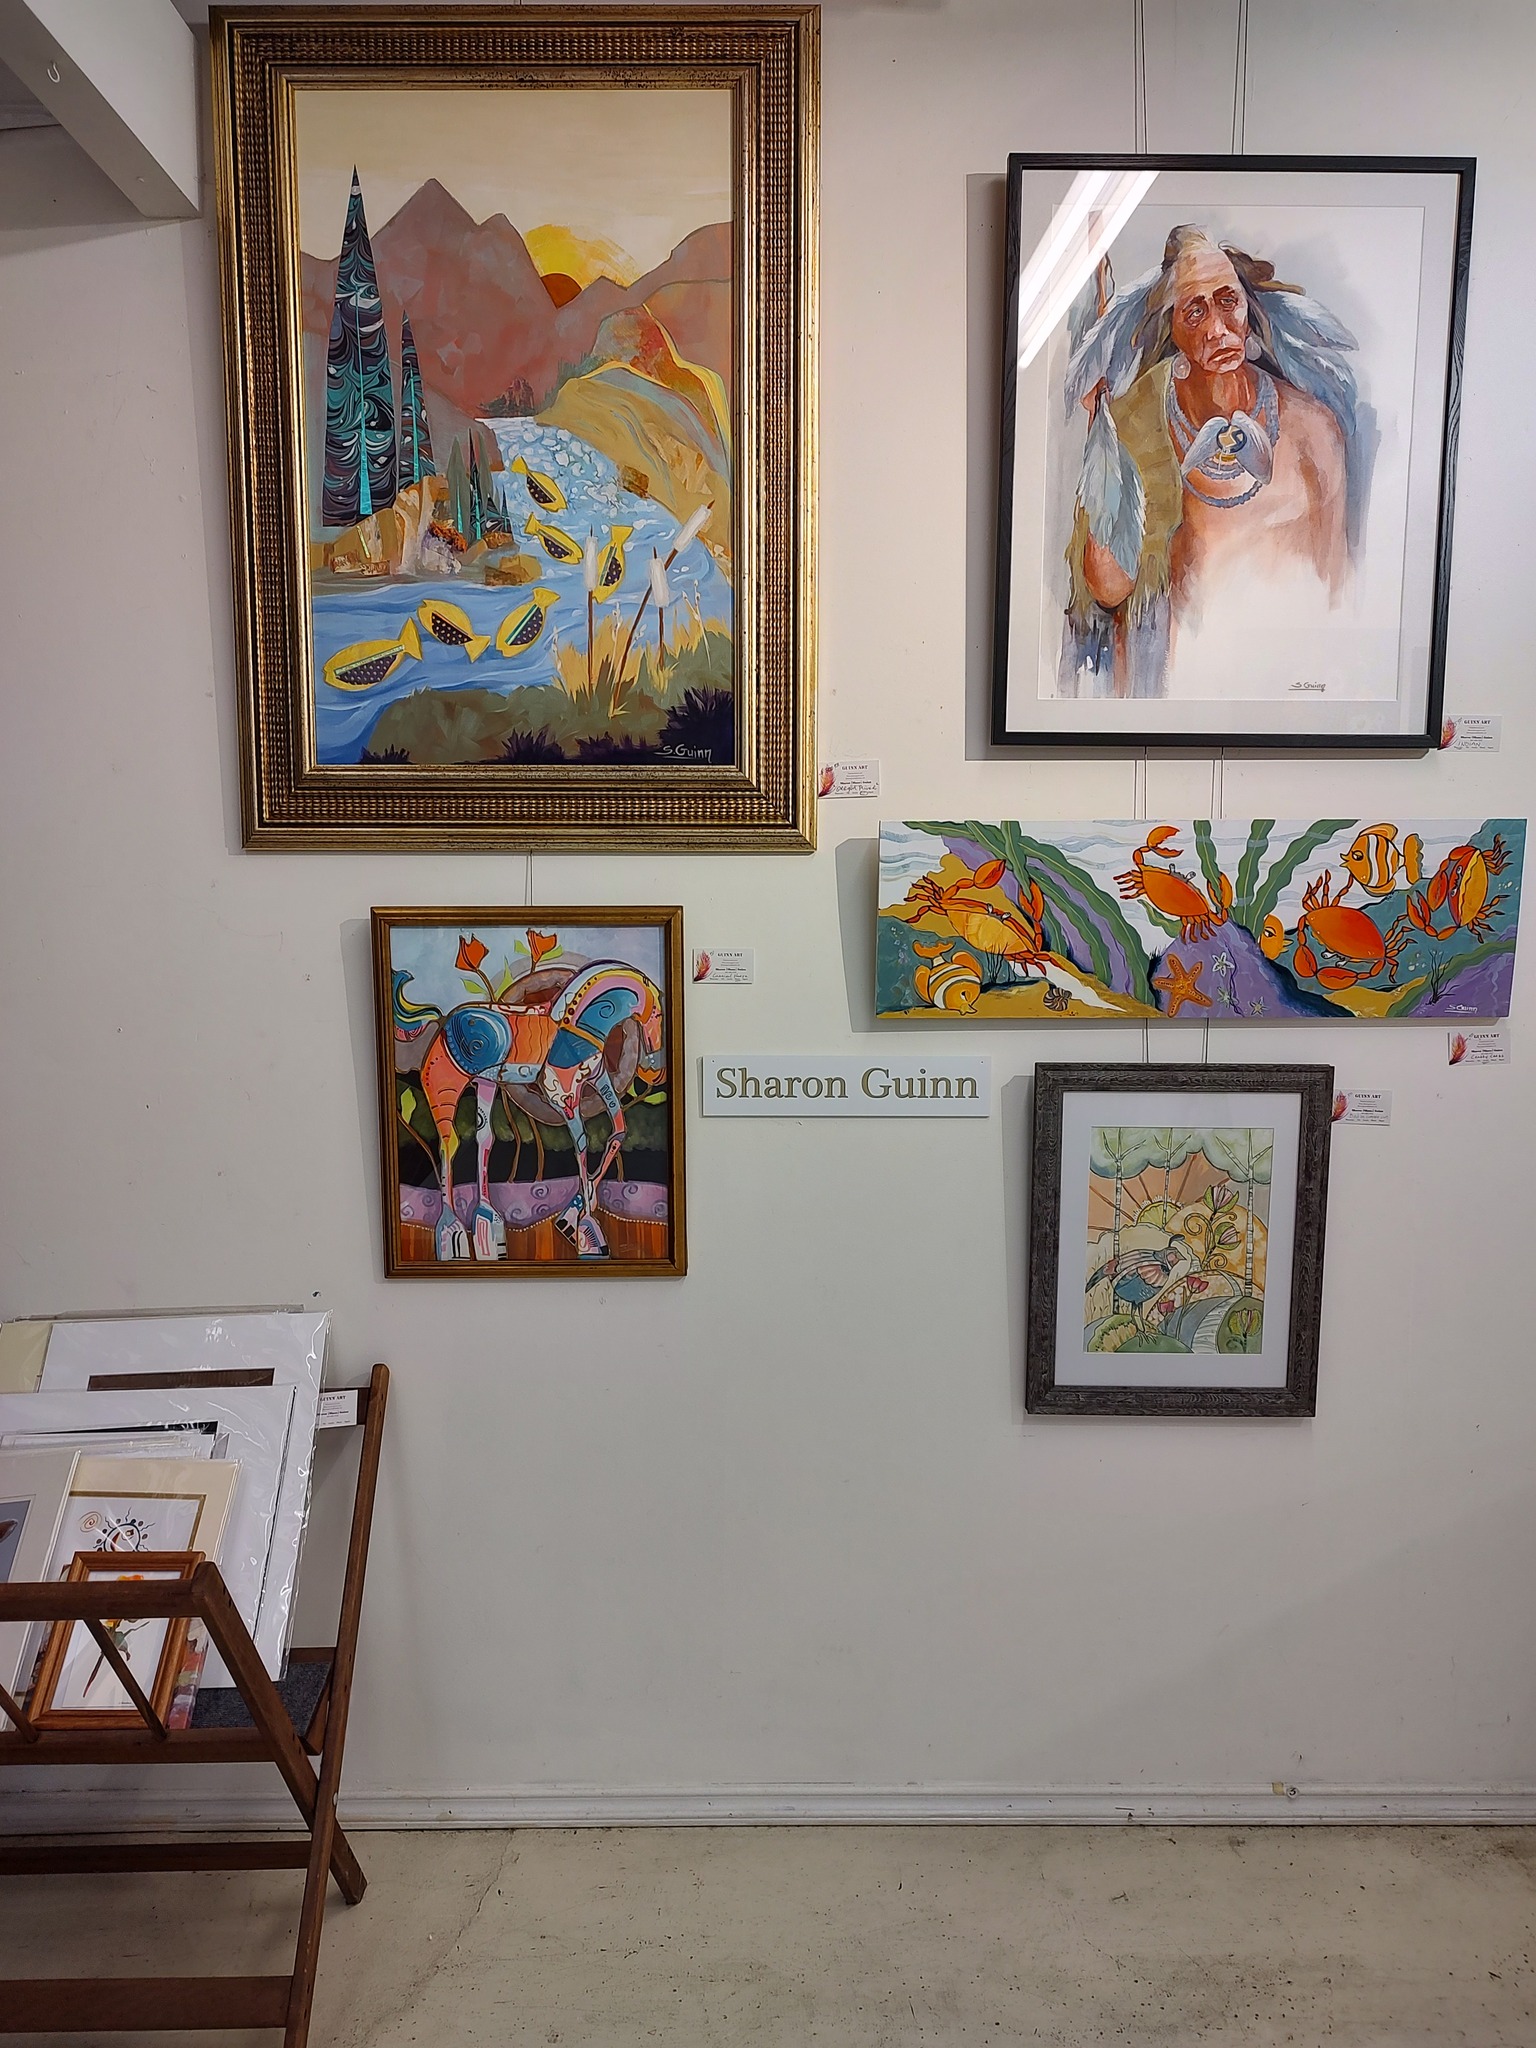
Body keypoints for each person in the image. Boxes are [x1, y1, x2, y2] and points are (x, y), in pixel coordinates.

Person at [1061, 225, 1366, 699]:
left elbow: (1337, 594)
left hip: (1286, 688)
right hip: (1169, 696)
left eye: (1228, 302)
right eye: (1195, 311)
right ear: (1172, 327)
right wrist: (1101, 425)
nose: (1217, 329)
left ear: (1249, 310)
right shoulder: (1136, 425)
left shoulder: (1314, 431)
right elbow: (1108, 588)